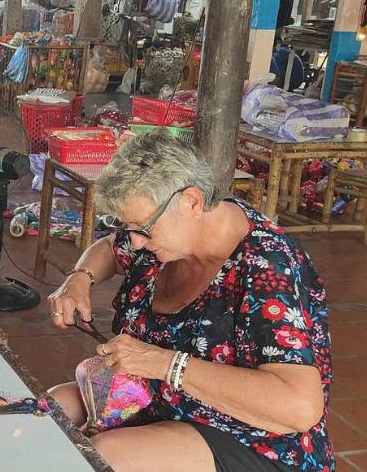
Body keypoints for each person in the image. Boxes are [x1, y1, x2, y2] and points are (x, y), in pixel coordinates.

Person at [47, 131, 332, 472]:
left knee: (105, 455)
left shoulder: (270, 266)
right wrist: (79, 279)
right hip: (163, 402)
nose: (135, 243)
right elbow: (110, 248)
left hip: (253, 438)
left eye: (143, 230)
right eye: (130, 228)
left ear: (193, 202)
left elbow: (299, 407)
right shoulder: (165, 235)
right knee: (51, 409)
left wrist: (165, 364)